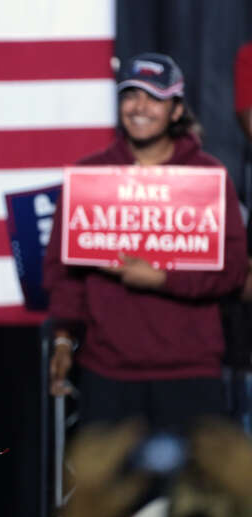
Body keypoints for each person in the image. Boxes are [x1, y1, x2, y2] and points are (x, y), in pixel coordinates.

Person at [43, 53, 249, 432]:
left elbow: (233, 269)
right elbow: (64, 271)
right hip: (108, 371)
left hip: (191, 371)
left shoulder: (207, 175)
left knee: (199, 492)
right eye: (131, 95)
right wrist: (61, 339)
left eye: (154, 97)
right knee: (105, 492)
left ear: (176, 110)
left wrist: (161, 279)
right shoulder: (93, 175)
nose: (139, 107)